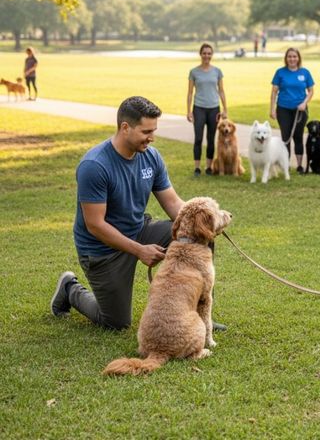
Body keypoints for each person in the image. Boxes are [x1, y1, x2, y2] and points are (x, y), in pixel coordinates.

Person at [50, 96, 185, 330]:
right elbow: (95, 225)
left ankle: (194, 313)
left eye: (154, 130)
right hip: (102, 250)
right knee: (116, 322)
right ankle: (70, 289)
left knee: (195, 236)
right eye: (146, 131)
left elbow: (172, 202)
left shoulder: (151, 156)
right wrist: (139, 250)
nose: (151, 137)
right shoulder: (95, 165)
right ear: (125, 127)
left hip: (138, 230)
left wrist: (199, 220)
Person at [270, 47, 314, 173]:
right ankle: (286, 165)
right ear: (286, 58)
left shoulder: (305, 72)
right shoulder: (280, 72)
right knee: (286, 137)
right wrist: (272, 109)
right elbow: (274, 92)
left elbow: (311, 91)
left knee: (298, 137)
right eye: (289, 56)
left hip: (300, 111)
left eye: (294, 56)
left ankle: (299, 165)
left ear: (298, 58)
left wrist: (304, 103)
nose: (292, 59)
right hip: (283, 109)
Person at [186, 43, 227, 176]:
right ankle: (197, 167)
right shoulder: (194, 72)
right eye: (204, 53)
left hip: (214, 109)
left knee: (211, 138)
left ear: (212, 55)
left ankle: (208, 167)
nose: (206, 56)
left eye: (209, 53)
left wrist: (225, 109)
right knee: (198, 138)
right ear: (200, 54)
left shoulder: (217, 71)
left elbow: (221, 91)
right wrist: (188, 111)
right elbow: (190, 93)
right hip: (199, 108)